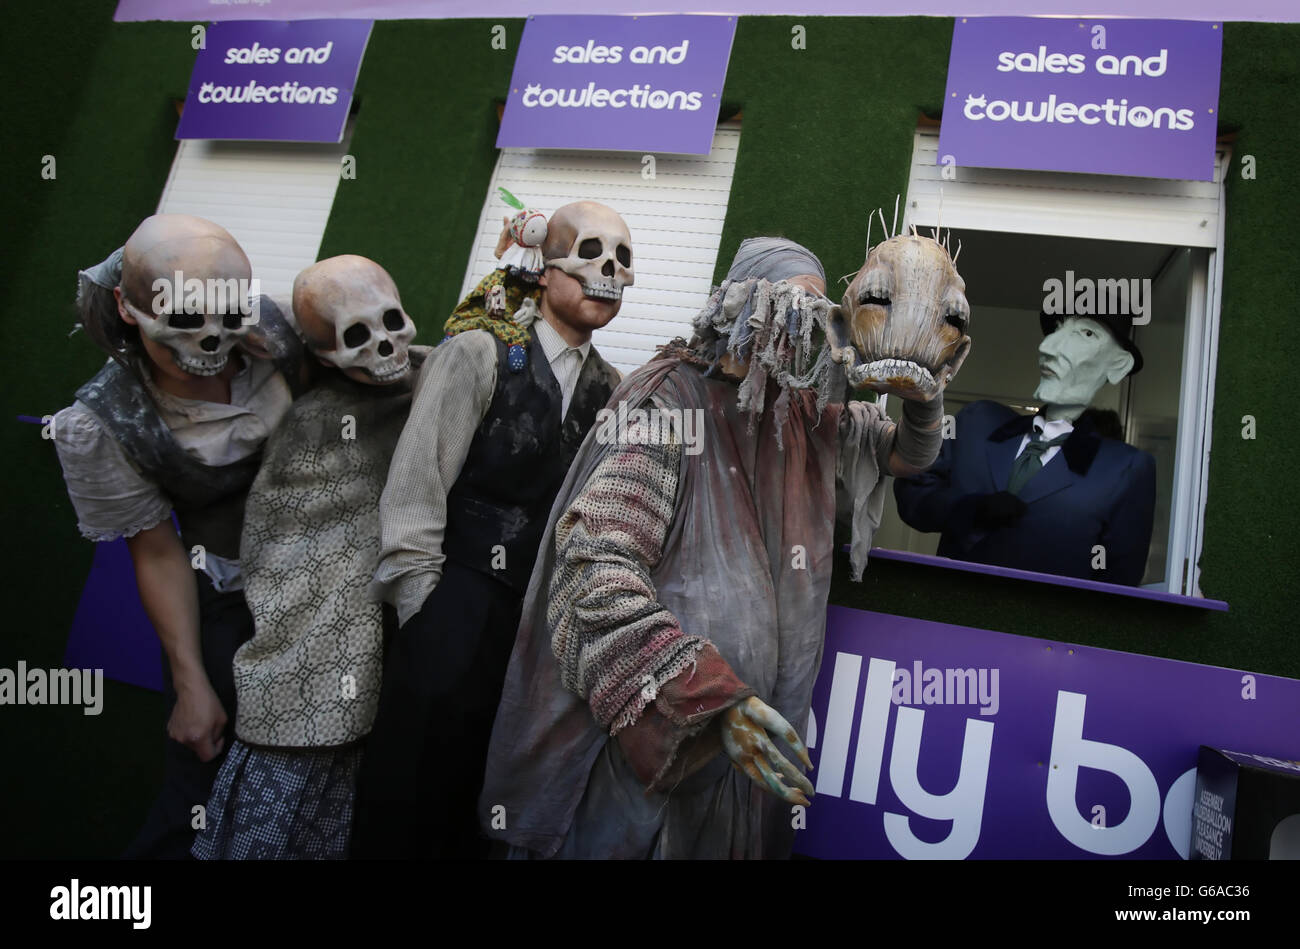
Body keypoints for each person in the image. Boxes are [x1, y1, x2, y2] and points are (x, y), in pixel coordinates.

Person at [478, 235, 958, 859]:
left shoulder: (802, 412)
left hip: (744, 760)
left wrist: (923, 387)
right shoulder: (668, 402)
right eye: (795, 305)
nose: (811, 325)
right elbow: (595, 563)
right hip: (650, 741)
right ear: (743, 305)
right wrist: (702, 695)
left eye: (822, 310)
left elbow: (909, 453)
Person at [351, 201, 630, 858]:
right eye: (592, 252)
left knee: (483, 815)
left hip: (536, 636)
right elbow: (415, 492)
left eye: (624, 259)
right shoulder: (480, 352)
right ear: (547, 265)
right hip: (453, 605)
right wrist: (425, 618)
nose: (610, 271)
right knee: (408, 805)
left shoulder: (611, 390)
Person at [52, 214, 299, 858]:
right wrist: (192, 684)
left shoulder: (280, 332)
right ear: (128, 309)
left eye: (228, 311)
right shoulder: (106, 421)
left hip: (331, 589)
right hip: (229, 600)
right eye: (187, 316)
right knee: (201, 792)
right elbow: (158, 551)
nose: (214, 336)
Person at [192, 255, 424, 859]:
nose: (384, 344)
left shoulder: (429, 378)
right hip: (306, 682)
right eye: (355, 337)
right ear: (323, 356)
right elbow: (297, 548)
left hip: (382, 686)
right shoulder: (313, 426)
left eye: (391, 322)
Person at [894, 310, 1155, 586]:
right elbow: (913, 492)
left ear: (1118, 365)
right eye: (1056, 330)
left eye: (1087, 334)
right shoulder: (978, 422)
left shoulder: (1125, 469)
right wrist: (968, 510)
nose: (1047, 348)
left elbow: (1118, 587)